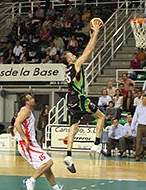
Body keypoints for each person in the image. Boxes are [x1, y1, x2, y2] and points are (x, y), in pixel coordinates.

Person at [62, 22, 105, 173]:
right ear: (69, 60)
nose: (74, 55)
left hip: (70, 101)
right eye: (71, 55)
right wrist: (97, 32)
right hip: (79, 99)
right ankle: (97, 144)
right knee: (101, 117)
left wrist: (91, 36)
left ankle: (68, 155)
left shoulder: (67, 70)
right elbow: (90, 49)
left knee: (74, 126)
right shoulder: (76, 65)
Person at [14, 93, 62, 190]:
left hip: (31, 143)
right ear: (27, 102)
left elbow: (17, 127)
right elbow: (16, 124)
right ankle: (30, 180)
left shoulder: (26, 111)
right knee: (49, 162)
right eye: (31, 98)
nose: (33, 99)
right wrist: (24, 138)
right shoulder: (26, 111)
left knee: (46, 167)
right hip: (27, 144)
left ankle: (56, 188)